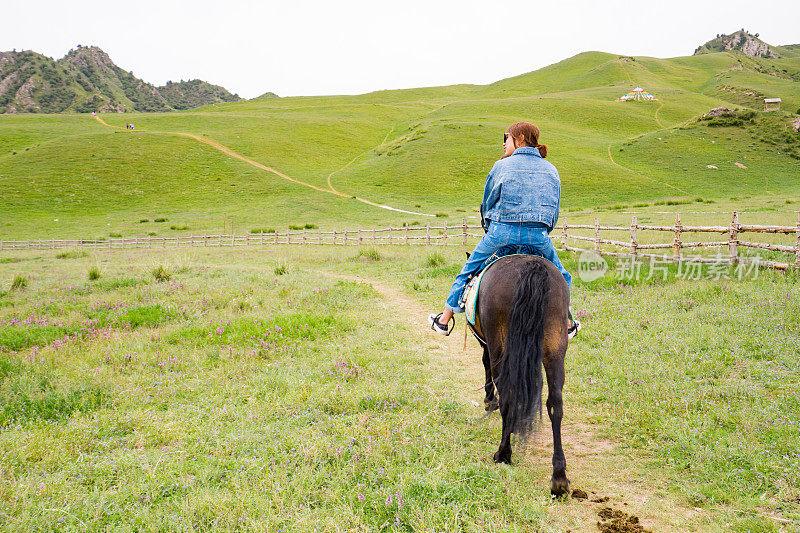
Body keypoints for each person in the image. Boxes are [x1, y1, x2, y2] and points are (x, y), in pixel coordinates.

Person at [428, 121, 580, 338]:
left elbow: (488, 203)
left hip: (501, 233)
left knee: (469, 270)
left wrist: (491, 228)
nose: (503, 144)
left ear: (519, 139)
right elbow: (553, 211)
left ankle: (443, 320)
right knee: (562, 276)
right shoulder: (551, 169)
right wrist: (542, 231)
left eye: (506, 138)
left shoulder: (501, 166)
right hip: (538, 235)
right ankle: (566, 322)